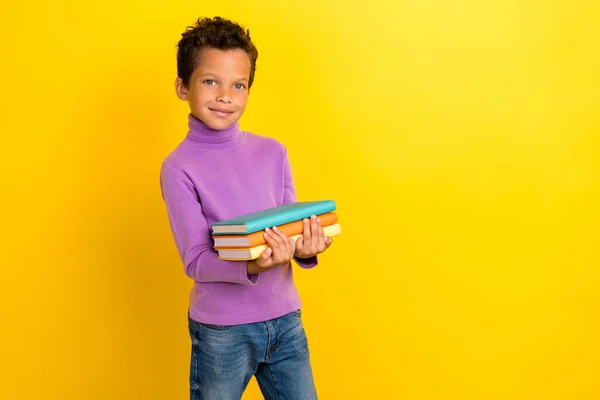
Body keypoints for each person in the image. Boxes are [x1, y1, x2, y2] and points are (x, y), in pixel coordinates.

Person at [159, 16, 334, 399]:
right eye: (210, 81)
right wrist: (254, 264)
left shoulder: (273, 152)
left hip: (286, 319)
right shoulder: (178, 168)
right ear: (181, 87)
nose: (225, 96)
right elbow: (196, 261)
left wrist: (308, 247)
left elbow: (290, 226)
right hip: (223, 333)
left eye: (238, 85)